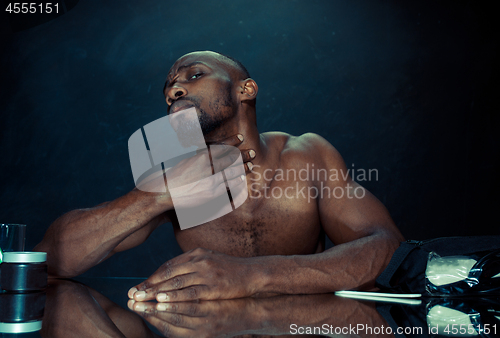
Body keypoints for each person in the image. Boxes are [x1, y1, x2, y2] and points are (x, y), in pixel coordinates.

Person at [34, 51, 404, 303]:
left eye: (194, 75)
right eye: (169, 87)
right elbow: (47, 261)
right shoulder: (170, 169)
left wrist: (254, 276)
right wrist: (156, 196)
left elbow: (388, 249)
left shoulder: (305, 154)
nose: (173, 90)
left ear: (246, 90)